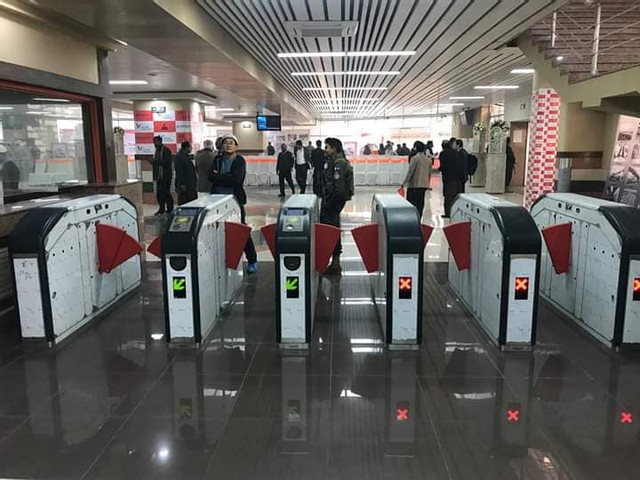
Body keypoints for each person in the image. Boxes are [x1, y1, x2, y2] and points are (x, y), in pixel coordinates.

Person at [209, 134, 258, 274]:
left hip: (235, 200)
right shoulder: (217, 159)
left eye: (231, 143)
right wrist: (225, 177)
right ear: (221, 146)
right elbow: (209, 176)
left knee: (241, 229)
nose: (228, 145)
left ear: (236, 146)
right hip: (217, 200)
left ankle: (252, 260)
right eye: (226, 143)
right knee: (217, 230)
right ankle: (221, 260)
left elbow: (236, 180)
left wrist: (219, 177)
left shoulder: (239, 160)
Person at [320, 137, 354, 275]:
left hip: (333, 203)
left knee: (330, 231)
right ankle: (334, 262)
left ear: (334, 149)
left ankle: (332, 262)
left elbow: (339, 190)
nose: (325, 150)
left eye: (327, 147)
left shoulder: (338, 164)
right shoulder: (334, 161)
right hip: (333, 202)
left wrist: (329, 205)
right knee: (333, 229)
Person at [402, 141, 432, 220]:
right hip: (423, 185)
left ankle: (411, 218)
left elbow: (410, 172)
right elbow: (429, 174)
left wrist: (404, 182)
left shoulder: (414, 159)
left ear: (416, 148)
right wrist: (427, 184)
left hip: (414, 185)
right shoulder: (428, 160)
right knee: (420, 202)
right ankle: (419, 217)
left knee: (411, 202)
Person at [439, 139, 466, 218]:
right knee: (455, 197)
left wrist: (439, 169)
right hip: (458, 179)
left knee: (448, 197)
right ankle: (455, 213)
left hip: (448, 179)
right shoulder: (456, 153)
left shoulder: (443, 154)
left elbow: (443, 167)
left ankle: (448, 213)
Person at [150, 135, 173, 215]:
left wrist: (156, 162)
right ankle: (161, 208)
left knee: (166, 192)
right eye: (154, 142)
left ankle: (170, 208)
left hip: (165, 175)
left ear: (160, 142)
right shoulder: (157, 151)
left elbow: (167, 162)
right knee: (159, 193)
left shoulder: (166, 150)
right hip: (158, 176)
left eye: (156, 142)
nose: (154, 144)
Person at [174, 140, 197, 205]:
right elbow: (179, 171)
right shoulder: (180, 157)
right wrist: (182, 184)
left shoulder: (185, 156)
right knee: (184, 201)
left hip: (190, 184)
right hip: (185, 184)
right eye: (190, 147)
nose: (191, 148)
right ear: (186, 147)